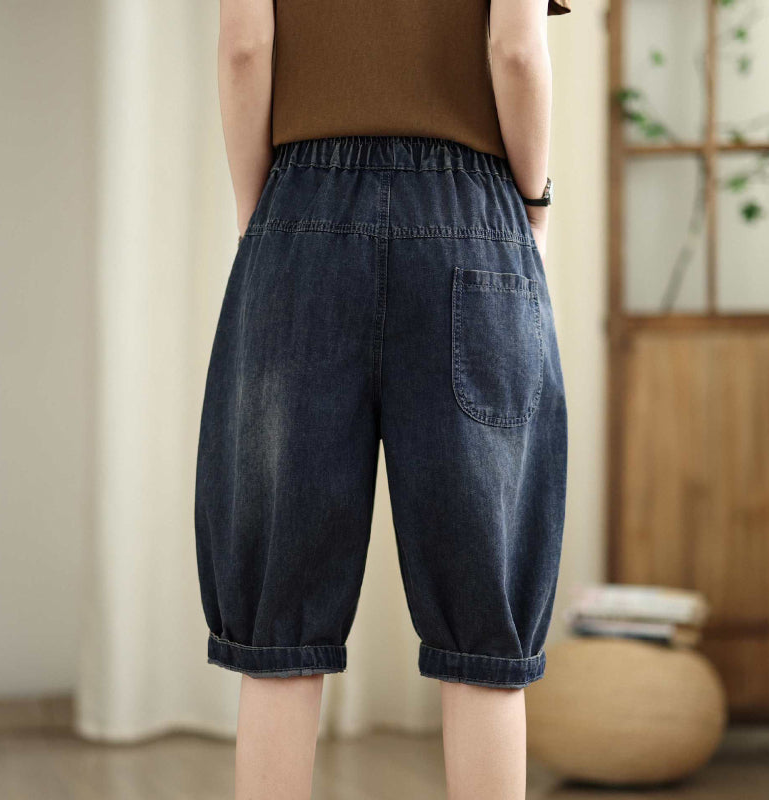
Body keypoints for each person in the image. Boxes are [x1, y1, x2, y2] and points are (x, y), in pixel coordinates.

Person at [195, 1, 570, 797]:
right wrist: (533, 209)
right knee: (485, 620)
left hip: (299, 211)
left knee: (279, 615)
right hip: (472, 219)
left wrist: (262, 218)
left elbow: (244, 47)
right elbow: (515, 50)